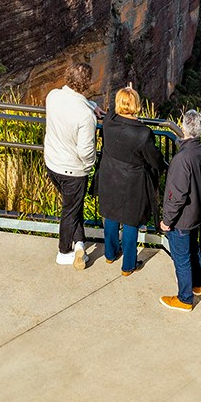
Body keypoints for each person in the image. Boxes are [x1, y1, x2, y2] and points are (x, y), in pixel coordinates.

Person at [96, 84, 166, 277]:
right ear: (137, 105)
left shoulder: (109, 121)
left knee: (109, 215)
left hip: (109, 176)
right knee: (130, 222)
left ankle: (110, 254)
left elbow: (110, 112)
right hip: (131, 182)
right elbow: (155, 160)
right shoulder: (142, 134)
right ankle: (128, 265)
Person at [44, 60, 98, 270]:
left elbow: (75, 101)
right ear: (86, 84)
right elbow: (86, 152)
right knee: (70, 210)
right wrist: (90, 164)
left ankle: (79, 243)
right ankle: (63, 251)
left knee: (73, 206)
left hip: (52, 164)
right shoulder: (85, 117)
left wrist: (93, 106)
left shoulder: (53, 96)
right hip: (73, 171)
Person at [159, 108, 201, 312]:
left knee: (181, 258)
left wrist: (167, 221)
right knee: (193, 249)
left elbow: (177, 195)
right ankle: (197, 285)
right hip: (197, 212)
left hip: (182, 218)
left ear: (183, 127)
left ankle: (184, 298)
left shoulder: (182, 159)